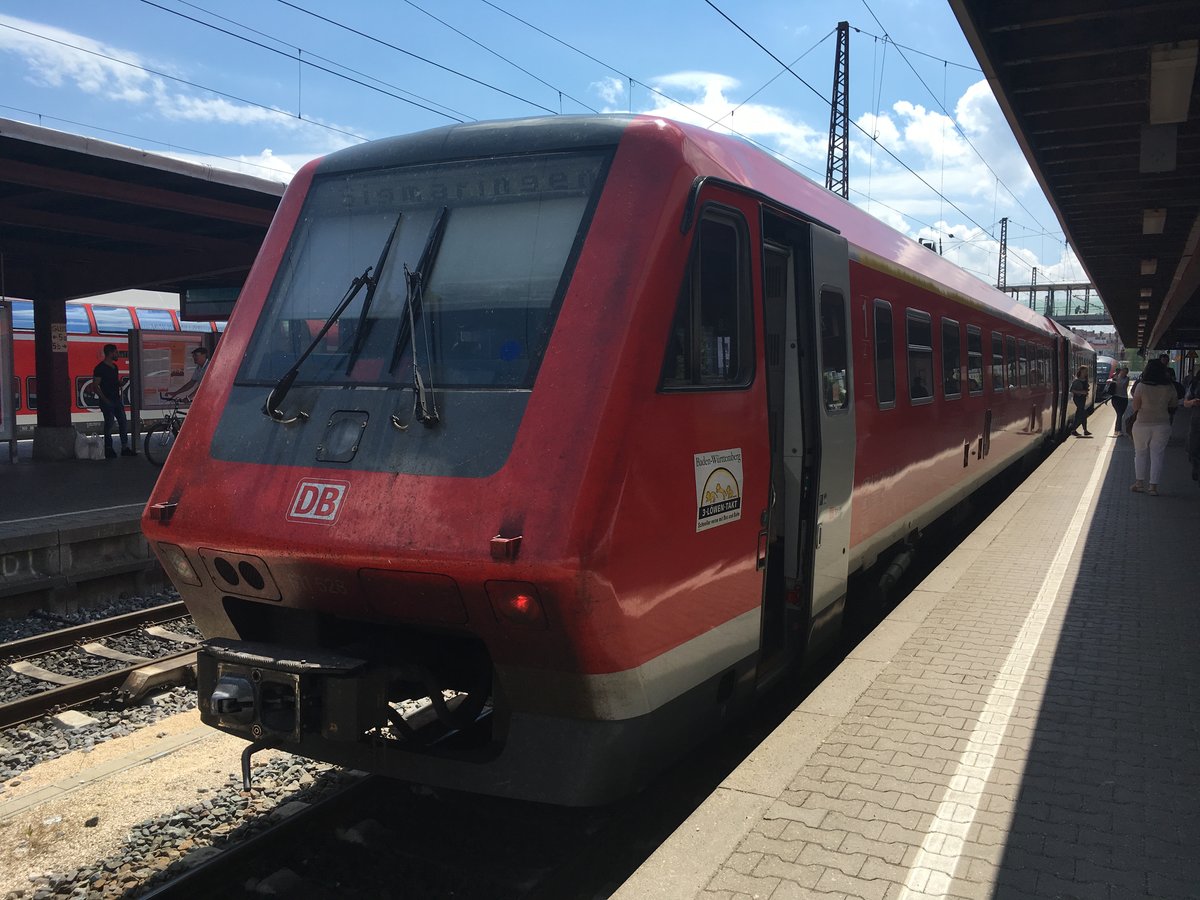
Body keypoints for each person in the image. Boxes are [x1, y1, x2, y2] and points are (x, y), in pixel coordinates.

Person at [1129, 358, 1179, 496]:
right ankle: (1153, 487)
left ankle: (1139, 484)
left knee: (1140, 453)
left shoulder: (1141, 386)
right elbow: (1174, 404)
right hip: (1162, 424)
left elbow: (1135, 407)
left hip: (1142, 423)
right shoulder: (1169, 387)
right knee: (1157, 455)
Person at [93, 344, 135, 458]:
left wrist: (119, 384)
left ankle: (124, 447)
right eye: (116, 353)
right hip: (107, 401)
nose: (118, 355)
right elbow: (95, 386)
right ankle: (109, 448)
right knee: (110, 424)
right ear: (110, 353)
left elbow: (111, 382)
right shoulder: (100, 368)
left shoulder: (114, 367)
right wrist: (105, 399)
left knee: (122, 422)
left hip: (116, 399)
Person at [1183, 374, 1200, 485]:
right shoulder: (1195, 384)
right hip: (1197, 420)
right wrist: (1193, 402)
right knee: (1193, 447)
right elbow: (1185, 403)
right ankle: (1196, 465)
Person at [1108, 365, 1130, 436]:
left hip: (1124, 399)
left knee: (1120, 414)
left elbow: (1123, 385)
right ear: (1121, 371)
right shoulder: (1115, 377)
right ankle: (1118, 430)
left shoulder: (1127, 379)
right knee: (1119, 414)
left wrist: (1114, 381)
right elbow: (1109, 382)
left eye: (1126, 372)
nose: (1124, 373)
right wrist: (1113, 380)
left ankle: (1117, 430)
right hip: (1116, 398)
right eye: (1123, 371)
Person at [1069, 365, 1091, 436]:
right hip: (1078, 398)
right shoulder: (1076, 380)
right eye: (1084, 371)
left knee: (1079, 414)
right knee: (1083, 413)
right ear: (1081, 371)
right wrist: (1081, 392)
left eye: (1086, 371)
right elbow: (1072, 390)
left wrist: (1086, 391)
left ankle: (1074, 429)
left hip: (1083, 398)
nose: (1086, 373)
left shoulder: (1085, 380)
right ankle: (1082, 430)